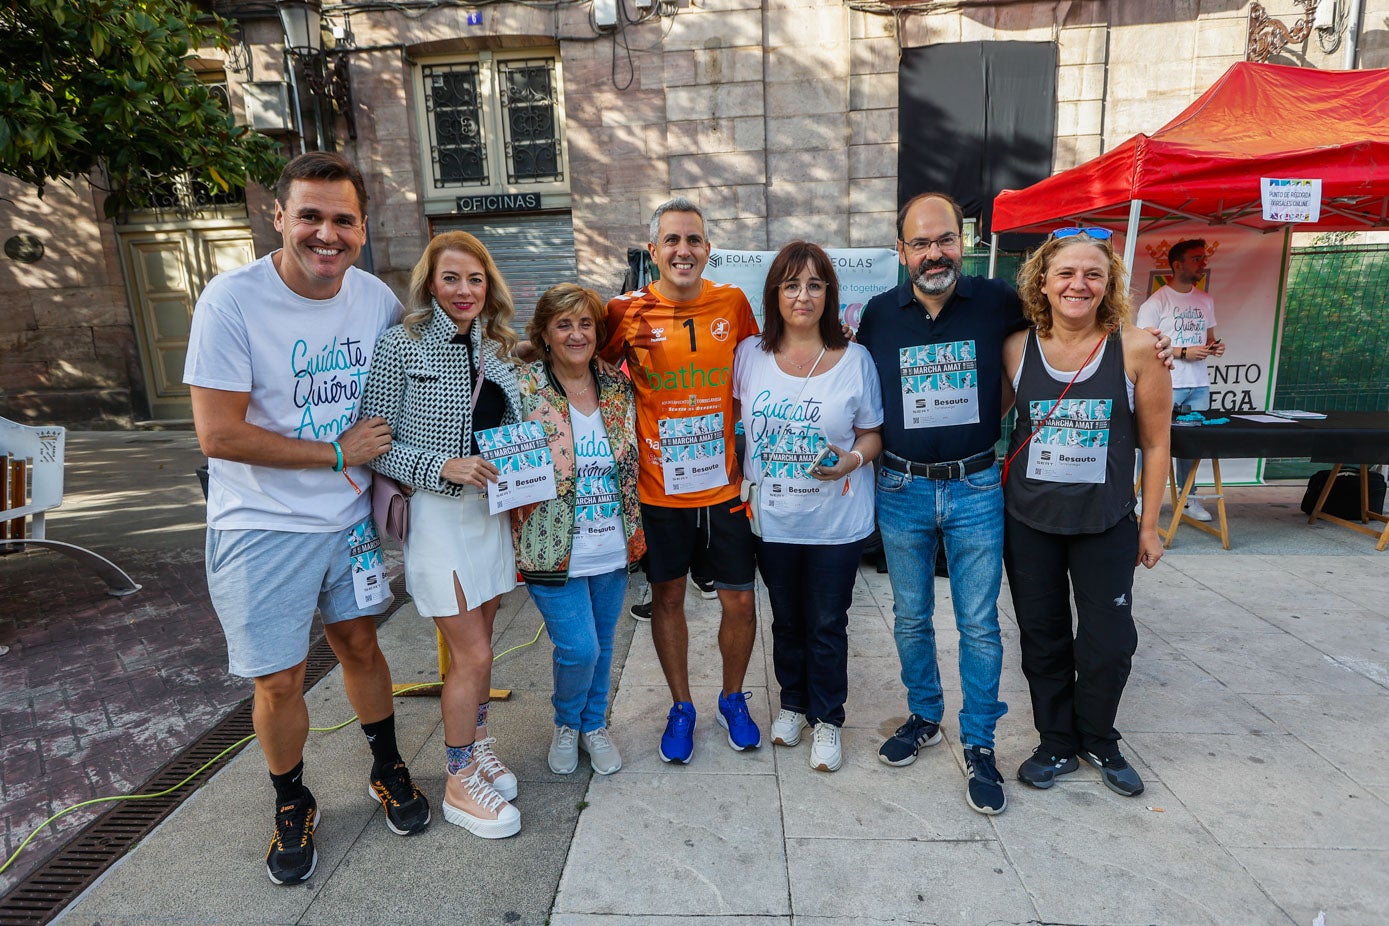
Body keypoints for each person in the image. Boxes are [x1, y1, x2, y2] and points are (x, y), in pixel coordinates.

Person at [185, 151, 430, 885]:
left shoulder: (374, 300)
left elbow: (413, 383)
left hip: (348, 522)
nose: (327, 234)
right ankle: (291, 800)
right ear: (280, 218)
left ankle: (386, 765)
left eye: (343, 220)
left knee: (361, 645)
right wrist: (334, 452)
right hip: (262, 526)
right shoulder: (230, 301)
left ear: (362, 227)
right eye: (311, 217)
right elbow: (217, 435)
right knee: (280, 681)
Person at [360, 231, 523, 839]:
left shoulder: (500, 346)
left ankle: (477, 746)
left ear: (489, 287)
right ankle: (457, 781)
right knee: (474, 654)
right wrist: (441, 465)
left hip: (489, 514)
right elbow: (374, 443)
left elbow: (513, 426)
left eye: (475, 280)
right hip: (434, 517)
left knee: (478, 646)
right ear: (431, 281)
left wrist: (521, 456)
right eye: (451, 278)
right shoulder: (401, 345)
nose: (464, 290)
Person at [1002, 227, 1171, 798]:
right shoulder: (1015, 349)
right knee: (1042, 637)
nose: (1079, 284)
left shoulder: (1138, 348)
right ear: (1042, 282)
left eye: (1092, 274)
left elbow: (1156, 443)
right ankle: (1054, 742)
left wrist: (1150, 524)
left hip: (1105, 523)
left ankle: (1098, 737)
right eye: (1066, 273)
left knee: (1109, 640)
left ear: (1108, 285)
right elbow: (988, 416)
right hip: (1030, 523)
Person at [599, 197, 761, 764]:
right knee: (668, 599)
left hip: (724, 488)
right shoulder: (623, 310)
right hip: (658, 490)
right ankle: (681, 705)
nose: (683, 250)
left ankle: (734, 698)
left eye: (693, 240)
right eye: (672, 240)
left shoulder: (734, 303)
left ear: (708, 250)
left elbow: (759, 371)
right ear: (654, 251)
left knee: (740, 603)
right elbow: (582, 366)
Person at [732, 241, 883, 773]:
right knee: (787, 620)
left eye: (815, 285)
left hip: (835, 523)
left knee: (826, 622)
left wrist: (852, 462)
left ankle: (829, 719)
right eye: (792, 284)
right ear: (775, 292)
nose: (803, 296)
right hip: (772, 519)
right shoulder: (749, 355)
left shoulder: (855, 359)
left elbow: (872, 434)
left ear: (829, 294)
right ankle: (793, 703)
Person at [513, 283, 646, 777]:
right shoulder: (522, 385)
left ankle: (594, 724)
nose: (576, 333)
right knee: (579, 647)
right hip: (549, 544)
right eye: (564, 324)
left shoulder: (617, 387)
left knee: (604, 644)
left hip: (612, 541)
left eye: (585, 323)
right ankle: (567, 722)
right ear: (545, 333)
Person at [1135, 238, 1224, 521]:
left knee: (1193, 445)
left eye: (1203, 258)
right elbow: (1141, 348)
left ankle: (1190, 499)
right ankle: (1137, 497)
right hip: (1165, 383)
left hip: (1198, 384)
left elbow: (1208, 339)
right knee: (1150, 441)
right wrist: (1183, 351)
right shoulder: (1156, 302)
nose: (1203, 263)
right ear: (1177, 264)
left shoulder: (1205, 299)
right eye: (1197, 258)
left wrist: (1214, 348)